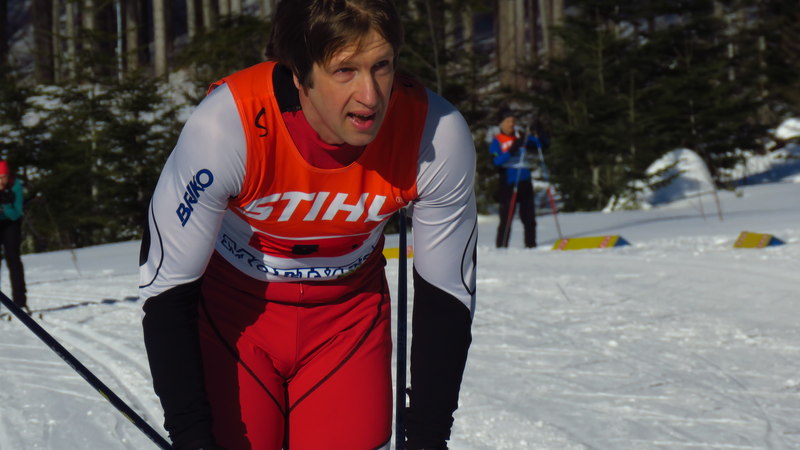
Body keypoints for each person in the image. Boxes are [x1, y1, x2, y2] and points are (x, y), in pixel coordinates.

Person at [138, 1, 477, 449]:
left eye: (381, 66)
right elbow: (166, 290)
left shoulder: (434, 131)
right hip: (235, 321)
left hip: (346, 324)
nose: (370, 96)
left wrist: (428, 438)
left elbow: (446, 295)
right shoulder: (228, 126)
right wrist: (190, 436)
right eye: (344, 71)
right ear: (299, 73)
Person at [490, 110, 539, 248]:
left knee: (529, 216)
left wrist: (539, 131)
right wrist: (511, 150)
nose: (511, 124)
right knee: (506, 216)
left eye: (513, 121)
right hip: (508, 180)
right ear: (501, 124)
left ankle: (531, 246)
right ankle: (501, 247)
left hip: (525, 179)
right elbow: (496, 161)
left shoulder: (521, 137)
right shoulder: (497, 140)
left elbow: (541, 144)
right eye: (507, 121)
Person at [0, 160, 28, 312]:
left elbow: (17, 213)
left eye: (3, 177)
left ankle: (19, 302)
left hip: (11, 224)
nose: (1, 181)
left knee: (13, 259)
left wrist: (5, 206)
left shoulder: (15, 185)